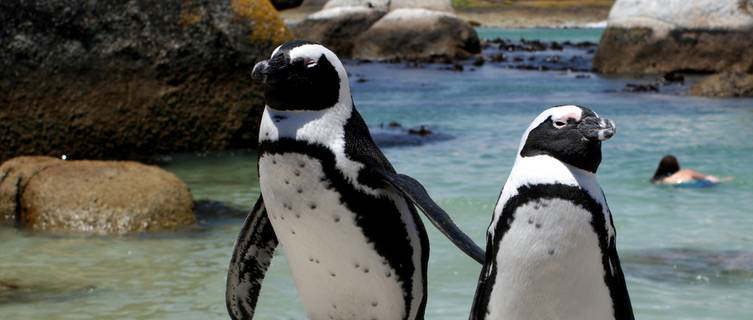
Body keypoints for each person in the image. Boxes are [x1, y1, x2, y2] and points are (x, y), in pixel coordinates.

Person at [651, 155, 720, 186]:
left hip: (677, 185)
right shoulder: (686, 172)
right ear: (676, 165)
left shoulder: (660, 180)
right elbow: (709, 178)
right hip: (695, 185)